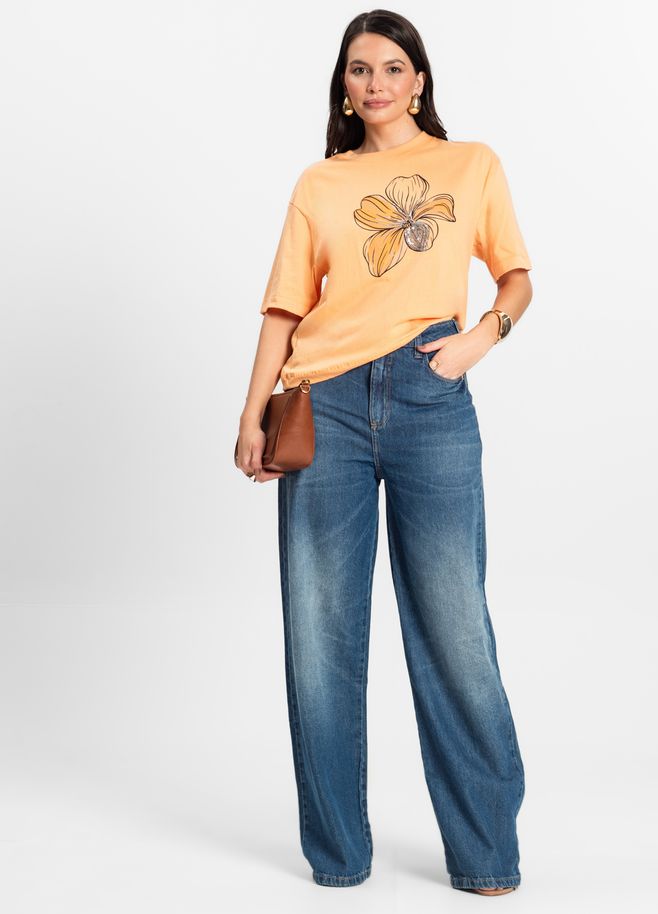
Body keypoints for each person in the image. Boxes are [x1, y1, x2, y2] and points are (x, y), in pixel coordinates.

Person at [236, 10, 532, 896]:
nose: (375, 83)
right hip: (321, 402)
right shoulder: (321, 182)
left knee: (454, 625)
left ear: (419, 81)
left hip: (429, 393)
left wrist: (477, 341)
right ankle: (338, 853)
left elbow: (517, 276)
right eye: (359, 69)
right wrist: (251, 414)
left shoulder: (470, 164)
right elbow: (285, 308)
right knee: (319, 631)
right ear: (344, 87)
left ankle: (486, 853)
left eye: (392, 68)